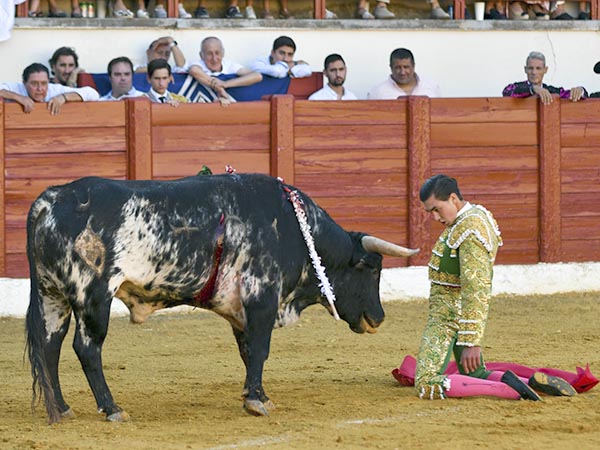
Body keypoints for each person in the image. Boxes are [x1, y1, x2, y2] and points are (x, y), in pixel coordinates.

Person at [413, 174, 576, 401]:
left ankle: (510, 390)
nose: (434, 216)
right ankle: (529, 383)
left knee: (426, 382)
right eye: (430, 211)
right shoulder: (475, 217)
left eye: (437, 209)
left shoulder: (470, 230)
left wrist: (472, 340)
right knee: (476, 372)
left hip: (448, 317)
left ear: (452, 198)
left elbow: (476, 286)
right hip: (458, 315)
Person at [0, 62, 99, 114]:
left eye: (44, 83)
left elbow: (93, 94)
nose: (40, 89)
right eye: (34, 84)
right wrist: (18, 97)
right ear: (24, 83)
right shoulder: (17, 88)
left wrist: (63, 98)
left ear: (48, 82)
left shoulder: (54, 90)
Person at [502, 51, 587, 105]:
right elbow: (507, 92)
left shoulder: (551, 91)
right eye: (530, 68)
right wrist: (533, 89)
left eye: (538, 68)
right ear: (525, 69)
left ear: (545, 70)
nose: (534, 72)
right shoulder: (517, 88)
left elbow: (570, 95)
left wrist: (580, 90)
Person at [187, 36, 262, 91]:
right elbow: (194, 70)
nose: (214, 59)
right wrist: (219, 88)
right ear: (201, 55)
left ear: (223, 53)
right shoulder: (199, 64)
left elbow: (257, 76)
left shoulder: (229, 65)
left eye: (217, 53)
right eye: (209, 54)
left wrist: (225, 84)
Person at [368, 48, 442, 99]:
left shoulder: (432, 87)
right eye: (398, 67)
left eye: (406, 67)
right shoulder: (377, 92)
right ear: (391, 67)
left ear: (413, 66)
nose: (402, 72)